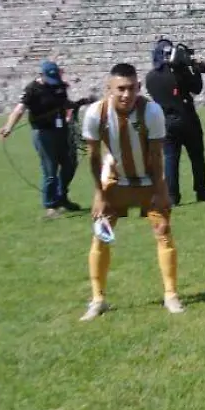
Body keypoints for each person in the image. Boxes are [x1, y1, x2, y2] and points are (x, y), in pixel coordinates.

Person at [79, 63, 183, 321]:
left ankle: (171, 295)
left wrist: (161, 190)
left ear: (139, 87)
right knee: (101, 237)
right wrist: (99, 194)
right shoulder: (95, 114)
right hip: (115, 181)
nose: (127, 95)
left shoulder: (152, 111)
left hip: (148, 180)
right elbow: (93, 157)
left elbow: (157, 155)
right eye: (120, 89)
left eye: (131, 88)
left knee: (163, 233)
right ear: (109, 89)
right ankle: (98, 299)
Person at [0, 60, 80, 218]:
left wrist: (78, 104)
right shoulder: (32, 89)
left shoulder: (59, 86)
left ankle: (62, 197)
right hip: (43, 133)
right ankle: (50, 206)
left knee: (70, 164)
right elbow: (19, 110)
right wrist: (8, 127)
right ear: (41, 75)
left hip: (62, 131)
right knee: (50, 170)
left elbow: (64, 103)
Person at [145, 38, 205, 205]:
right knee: (197, 156)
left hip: (165, 121)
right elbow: (196, 88)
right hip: (187, 117)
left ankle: (172, 195)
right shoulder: (179, 72)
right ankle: (201, 191)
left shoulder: (150, 77)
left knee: (170, 159)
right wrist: (195, 70)